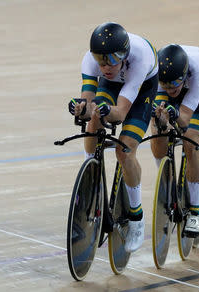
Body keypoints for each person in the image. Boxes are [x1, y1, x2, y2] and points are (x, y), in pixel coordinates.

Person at [68, 22, 158, 253]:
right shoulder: (92, 62)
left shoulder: (140, 61)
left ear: (124, 55)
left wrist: (104, 109)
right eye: (100, 59)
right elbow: (87, 103)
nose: (106, 66)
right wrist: (81, 108)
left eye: (112, 59)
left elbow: (120, 113)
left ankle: (137, 219)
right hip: (111, 86)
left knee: (125, 150)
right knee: (94, 115)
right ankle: (91, 167)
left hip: (141, 91)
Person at [150, 44, 199, 237]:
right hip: (170, 77)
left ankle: (195, 210)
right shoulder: (159, 75)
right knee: (157, 128)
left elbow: (185, 118)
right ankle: (166, 182)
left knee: (191, 142)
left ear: (185, 74)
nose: (171, 89)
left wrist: (175, 114)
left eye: (175, 83)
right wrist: (161, 119)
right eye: (166, 85)